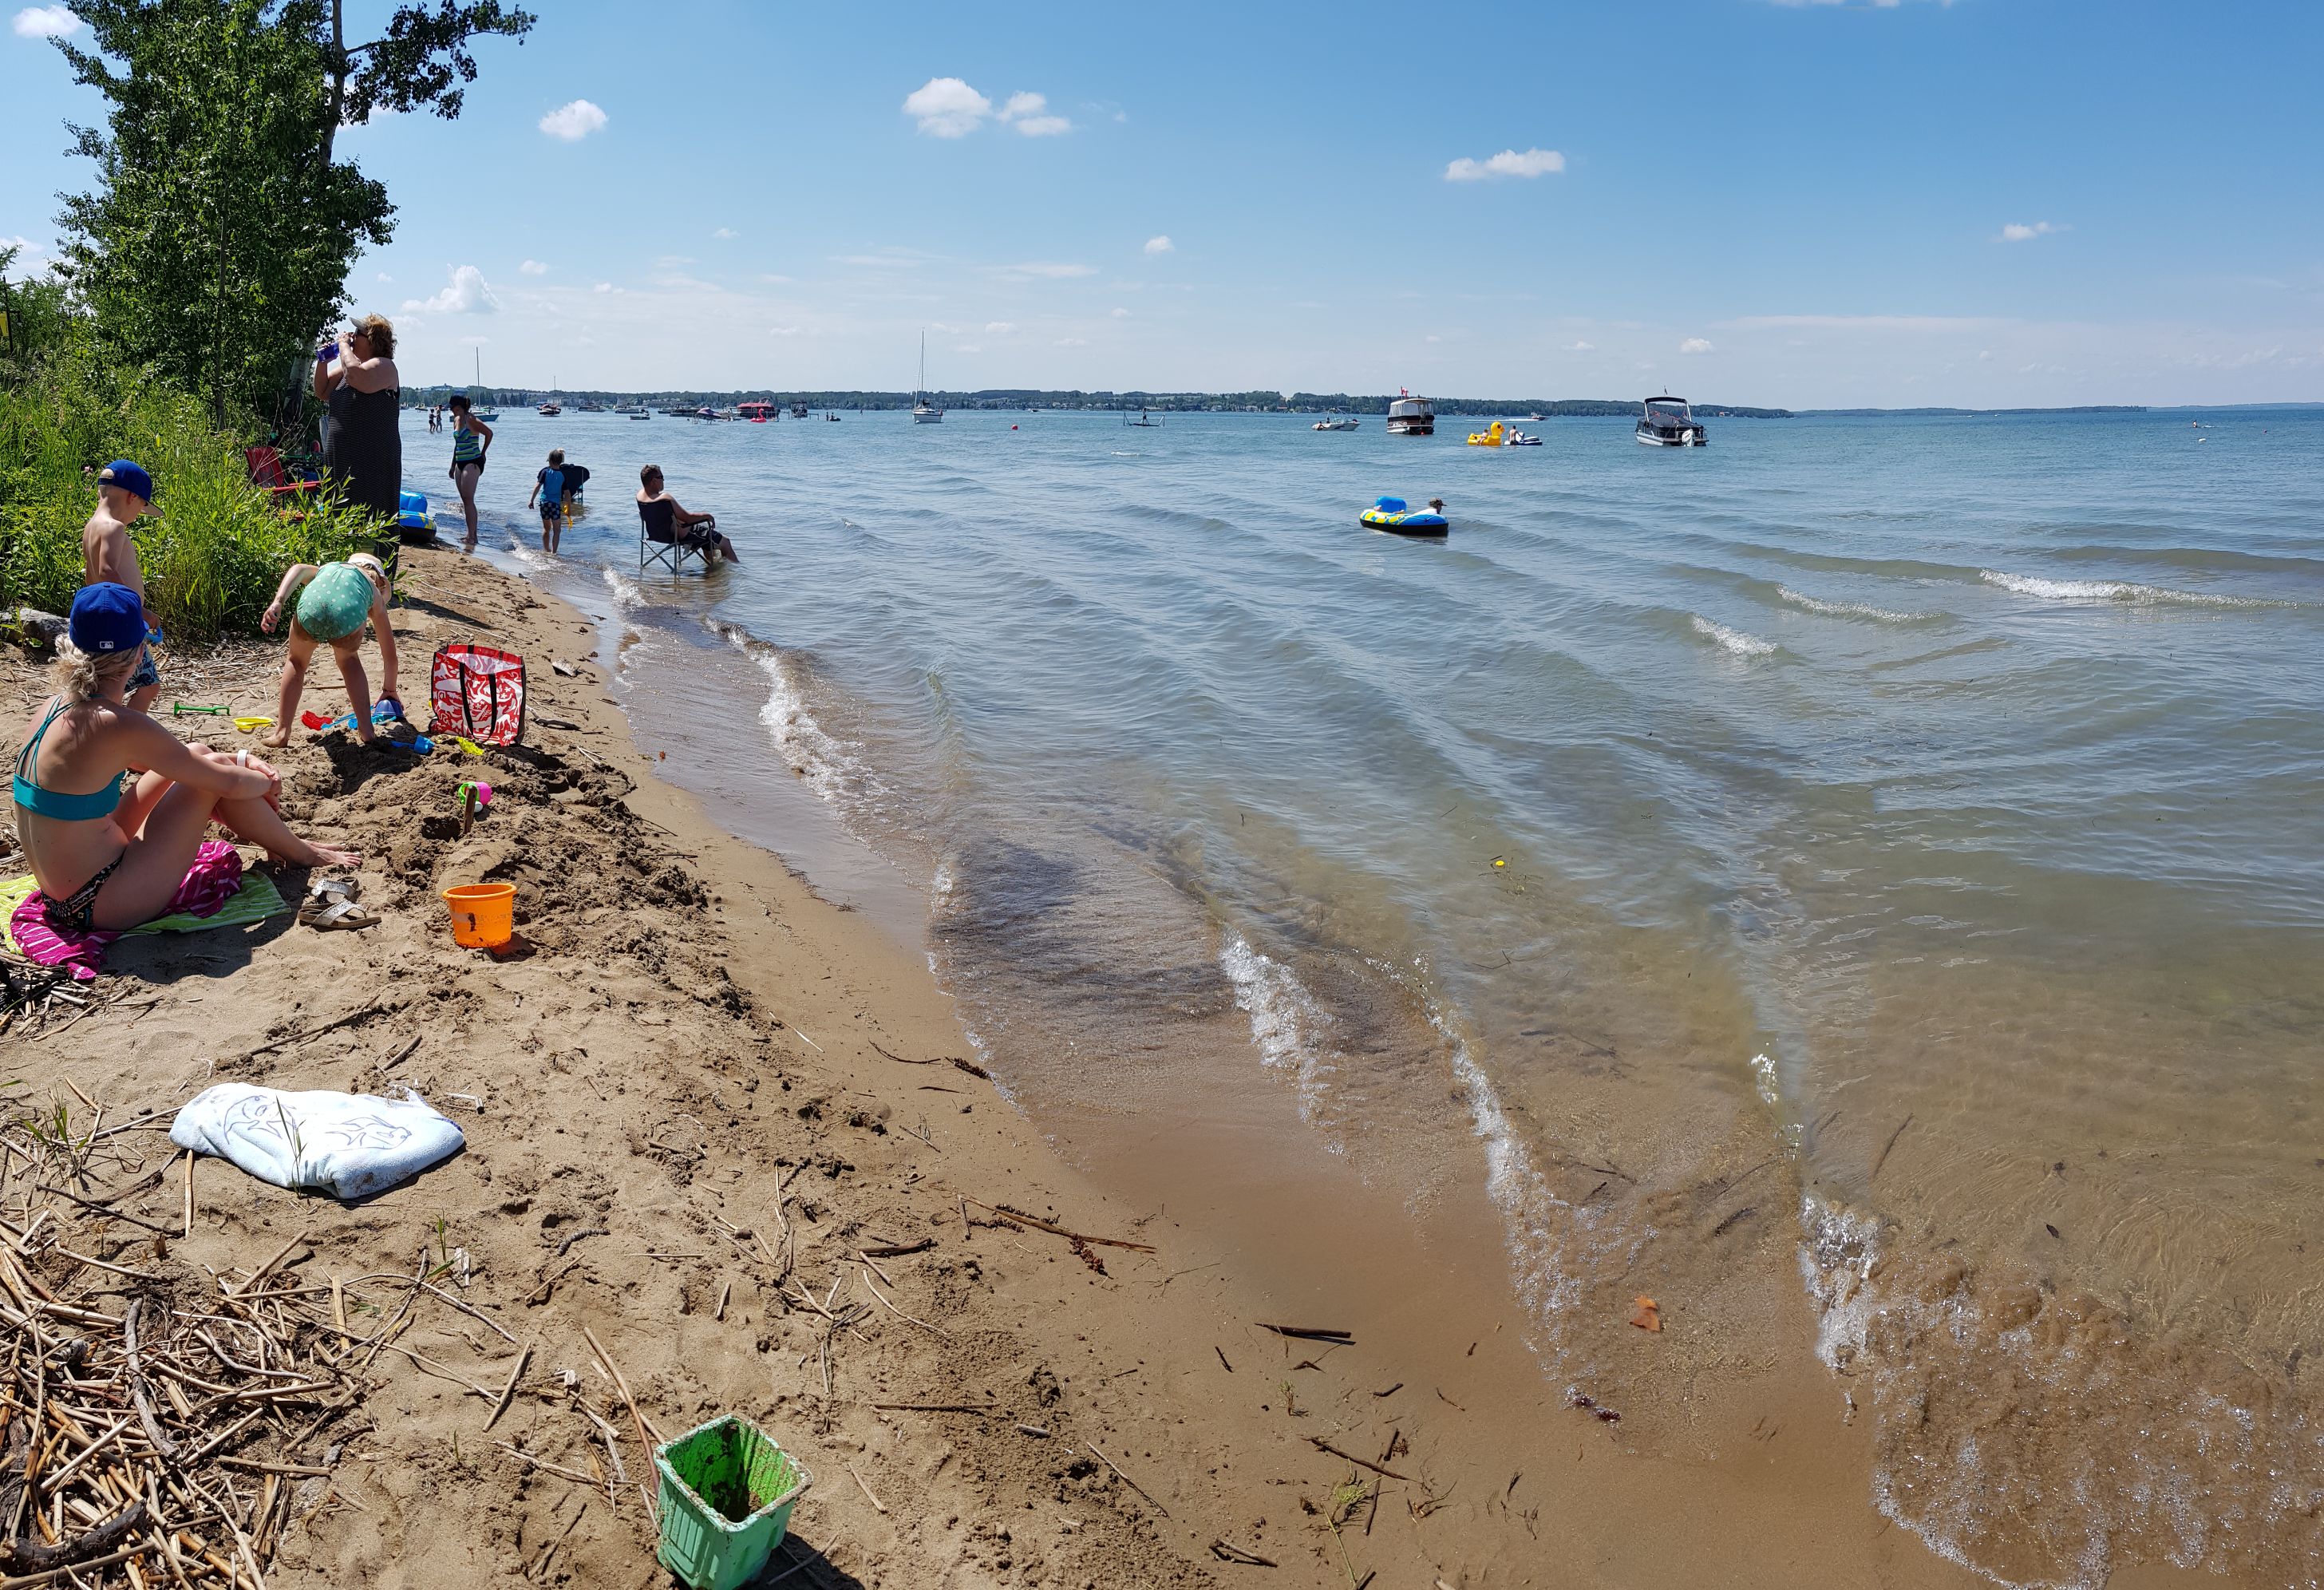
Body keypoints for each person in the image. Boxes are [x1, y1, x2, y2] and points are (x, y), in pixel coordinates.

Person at [13, 584, 358, 933]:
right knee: (215, 777)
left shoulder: (55, 707)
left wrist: (239, 759)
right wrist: (268, 781)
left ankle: (288, 844)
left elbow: (179, 761)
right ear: (138, 655)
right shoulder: (118, 724)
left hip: (63, 893)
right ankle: (300, 853)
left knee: (199, 755)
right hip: (96, 902)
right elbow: (225, 782)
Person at [258, 554, 399, 750]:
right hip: (347, 616)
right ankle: (366, 731)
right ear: (380, 581)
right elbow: (389, 656)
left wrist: (278, 602)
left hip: (311, 607)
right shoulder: (373, 591)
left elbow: (298, 569)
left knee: (296, 662)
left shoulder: (329, 568)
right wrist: (389, 691)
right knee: (349, 661)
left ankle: (281, 732)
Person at [81, 460, 162, 715]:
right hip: (120, 623)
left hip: (100, 621)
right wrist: (140, 612)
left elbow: (90, 576)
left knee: (105, 688)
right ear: (131, 497)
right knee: (148, 686)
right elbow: (106, 572)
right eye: (141, 507)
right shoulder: (114, 528)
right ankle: (126, 732)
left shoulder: (91, 528)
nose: (138, 516)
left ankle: (106, 730)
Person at [314, 314, 401, 522]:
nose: (352, 336)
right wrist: (323, 362)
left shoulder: (384, 366)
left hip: (372, 461)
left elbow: (357, 376)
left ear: (373, 341)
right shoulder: (350, 367)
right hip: (342, 460)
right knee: (338, 515)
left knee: (369, 518)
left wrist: (343, 345)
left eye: (357, 334)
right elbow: (322, 391)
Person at [635, 465, 741, 564]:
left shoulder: (640, 496)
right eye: (661, 477)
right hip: (682, 535)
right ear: (654, 481)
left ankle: (715, 567)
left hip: (657, 535)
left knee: (709, 541)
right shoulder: (665, 498)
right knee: (725, 542)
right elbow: (688, 519)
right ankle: (737, 569)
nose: (663, 480)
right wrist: (707, 516)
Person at [445, 394, 492, 552]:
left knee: (468, 499)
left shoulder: (470, 419)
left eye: (452, 408)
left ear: (458, 407)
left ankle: (472, 537)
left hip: (473, 461)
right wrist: (453, 466)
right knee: (465, 500)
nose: (450, 410)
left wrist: (483, 453)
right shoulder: (456, 421)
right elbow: (457, 444)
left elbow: (489, 433)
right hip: (460, 461)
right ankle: (471, 534)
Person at [529, 449, 567, 556]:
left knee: (546, 528)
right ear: (561, 462)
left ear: (549, 461)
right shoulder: (563, 475)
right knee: (557, 530)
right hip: (555, 505)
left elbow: (538, 486)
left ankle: (546, 549)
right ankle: (554, 553)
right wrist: (567, 507)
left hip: (544, 503)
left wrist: (531, 500)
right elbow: (567, 493)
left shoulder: (544, 472)